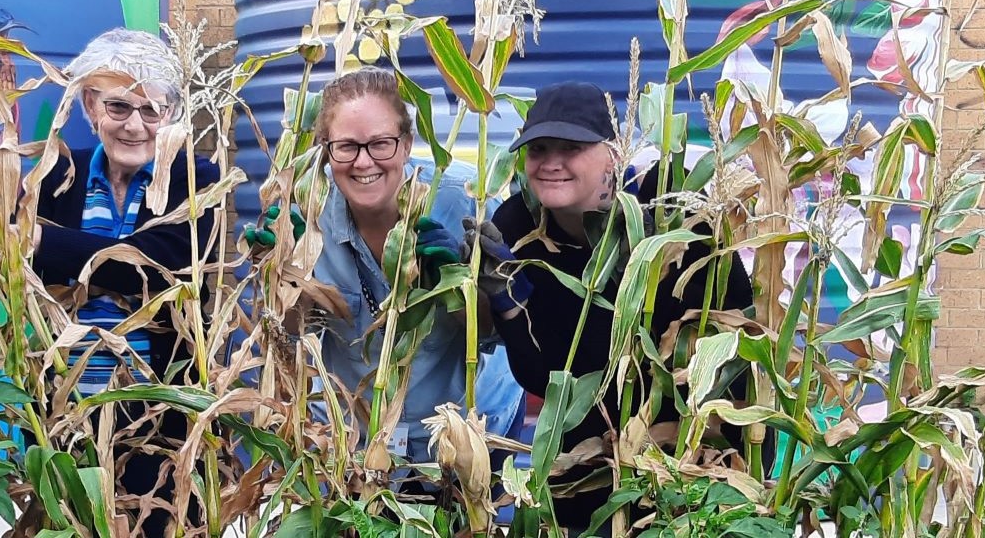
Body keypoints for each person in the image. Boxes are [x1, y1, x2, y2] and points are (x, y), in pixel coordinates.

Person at [0, 27, 217, 537]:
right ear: (89, 107)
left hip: (162, 423)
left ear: (171, 114)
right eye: (120, 107)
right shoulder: (55, 175)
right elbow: (7, 282)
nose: (135, 126)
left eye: (152, 111)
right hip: (66, 418)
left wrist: (39, 243)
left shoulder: (197, 179)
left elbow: (160, 269)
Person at [474, 81, 755, 533]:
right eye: (538, 148)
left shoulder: (670, 215)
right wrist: (507, 305)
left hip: (683, 453)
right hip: (583, 456)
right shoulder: (517, 227)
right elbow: (544, 380)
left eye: (571, 147)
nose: (550, 163)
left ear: (612, 152)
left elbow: (735, 343)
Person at [248, 66, 528, 474]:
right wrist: (282, 275)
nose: (363, 162)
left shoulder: (466, 202)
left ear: (407, 143)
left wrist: (455, 287)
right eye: (346, 147)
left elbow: (498, 333)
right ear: (326, 149)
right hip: (365, 431)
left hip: (469, 428)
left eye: (381, 143)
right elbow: (294, 331)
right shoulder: (307, 214)